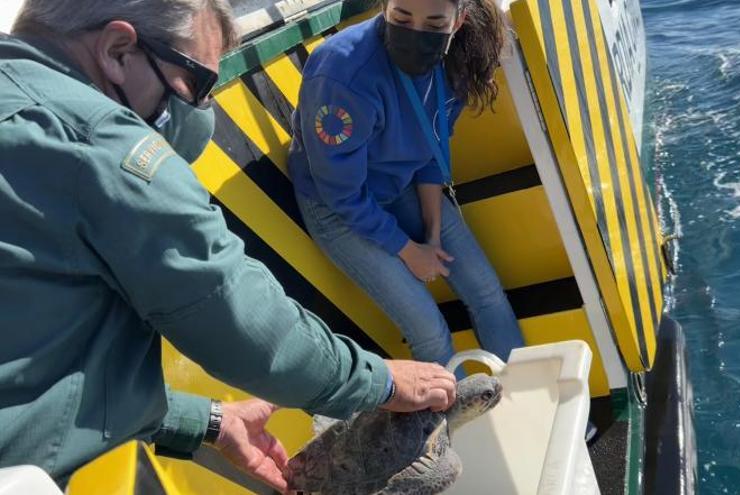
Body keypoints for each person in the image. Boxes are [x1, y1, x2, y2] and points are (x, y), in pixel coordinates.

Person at [0, 0, 457, 491]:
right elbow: (244, 322)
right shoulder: (100, 144)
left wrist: (208, 422)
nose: (199, 109)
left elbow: (36, 368)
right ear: (116, 51)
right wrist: (380, 381)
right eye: (197, 84)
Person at [287, 0, 526, 375]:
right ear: (384, 8)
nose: (415, 33)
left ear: (458, 21)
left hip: (403, 185)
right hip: (339, 207)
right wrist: (408, 251)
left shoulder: (460, 60)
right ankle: (464, 425)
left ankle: (526, 398)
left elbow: (432, 150)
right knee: (429, 333)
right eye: (401, 17)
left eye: (434, 23)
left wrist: (432, 235)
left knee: (486, 292)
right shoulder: (342, 74)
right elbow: (342, 194)